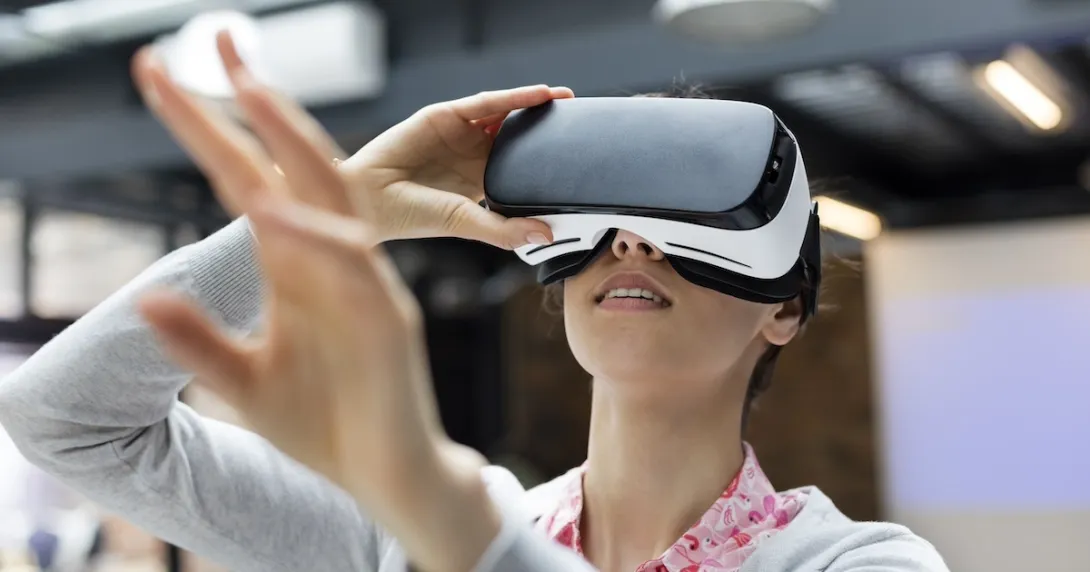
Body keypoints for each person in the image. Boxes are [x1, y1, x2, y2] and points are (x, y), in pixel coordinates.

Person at [0, 33, 947, 572]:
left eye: (679, 223)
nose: (629, 244)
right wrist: (331, 214)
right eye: (609, 219)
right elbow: (67, 420)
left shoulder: (856, 566)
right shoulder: (396, 532)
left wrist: (439, 511)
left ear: (782, 310)